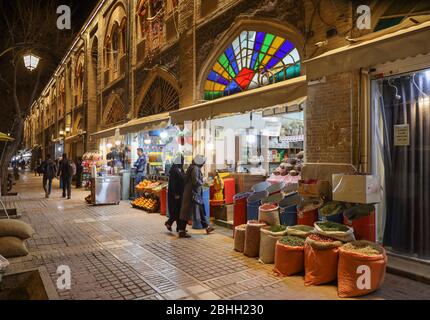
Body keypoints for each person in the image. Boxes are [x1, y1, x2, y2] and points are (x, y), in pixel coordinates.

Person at [177, 155, 214, 238]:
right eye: (203, 162)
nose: (203, 164)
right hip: (192, 193)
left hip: (191, 193)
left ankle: (207, 227)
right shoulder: (195, 168)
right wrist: (203, 183)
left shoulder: (192, 167)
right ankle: (181, 231)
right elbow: (195, 181)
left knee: (200, 209)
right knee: (186, 212)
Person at [165, 155, 185, 233]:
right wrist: (175, 194)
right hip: (175, 195)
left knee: (178, 211)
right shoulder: (174, 170)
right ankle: (169, 223)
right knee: (176, 211)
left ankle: (177, 227)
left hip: (180, 193)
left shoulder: (180, 169)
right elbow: (173, 183)